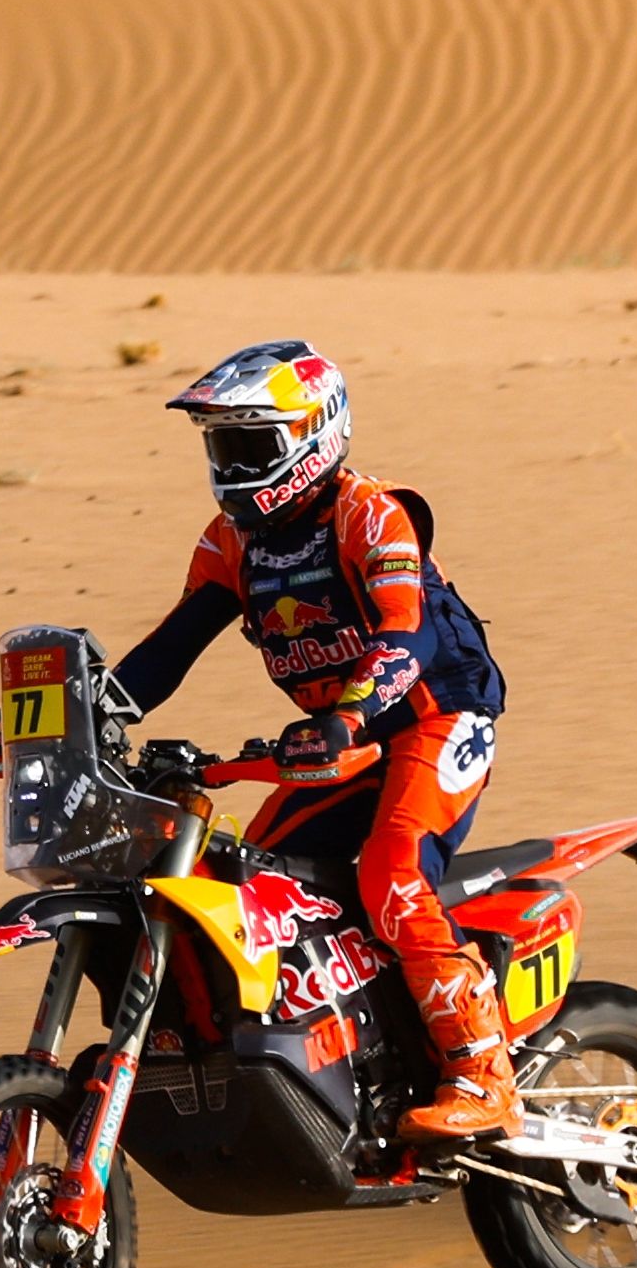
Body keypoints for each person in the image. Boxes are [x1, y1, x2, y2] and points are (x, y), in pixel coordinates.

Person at [108, 340, 517, 1142]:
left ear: (313, 435)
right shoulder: (233, 543)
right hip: (340, 744)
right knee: (250, 883)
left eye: (250, 444)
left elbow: (407, 635)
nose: (231, 465)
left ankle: (483, 1071)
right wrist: (85, 706)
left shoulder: (370, 514)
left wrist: (352, 710)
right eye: (222, 446)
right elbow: (166, 651)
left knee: (393, 872)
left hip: (435, 717)